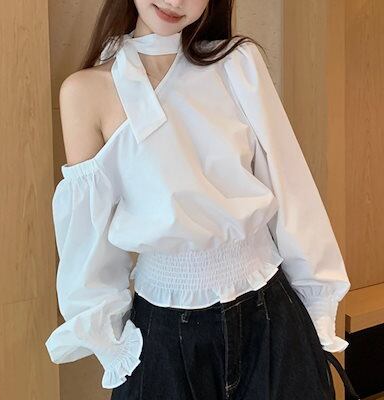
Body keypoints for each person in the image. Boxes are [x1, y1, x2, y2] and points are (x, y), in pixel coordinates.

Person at [44, 0, 360, 399]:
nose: (176, 1)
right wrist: (110, 339)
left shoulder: (237, 62)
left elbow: (291, 187)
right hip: (161, 335)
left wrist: (318, 305)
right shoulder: (85, 91)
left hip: (270, 314)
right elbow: (88, 241)